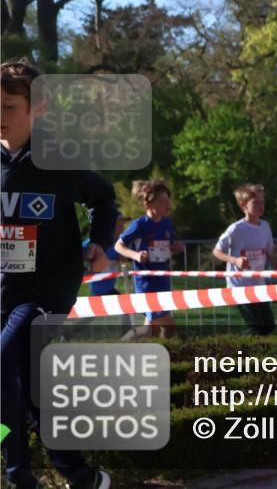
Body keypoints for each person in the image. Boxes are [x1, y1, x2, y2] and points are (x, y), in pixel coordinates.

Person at [1, 59, 115, 489]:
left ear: (39, 109)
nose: (0, 116)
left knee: (2, 366)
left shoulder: (60, 161)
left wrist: (102, 244)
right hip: (4, 292)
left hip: (47, 289)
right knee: (32, 389)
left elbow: (103, 199)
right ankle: (80, 474)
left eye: (10, 106)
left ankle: (18, 475)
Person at [115, 180, 185, 339]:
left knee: (149, 331)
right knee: (169, 328)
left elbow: (170, 244)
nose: (168, 205)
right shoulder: (139, 225)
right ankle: (170, 358)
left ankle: (119, 346)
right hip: (147, 284)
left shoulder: (167, 223)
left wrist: (177, 247)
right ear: (148, 203)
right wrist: (135, 255)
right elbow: (118, 246)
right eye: (162, 201)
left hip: (164, 281)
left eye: (168, 200)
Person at [213, 183, 277, 335]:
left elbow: (268, 251)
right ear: (243, 205)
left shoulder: (265, 226)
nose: (260, 206)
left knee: (268, 325)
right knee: (255, 326)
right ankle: (240, 352)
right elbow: (217, 251)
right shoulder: (236, 228)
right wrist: (235, 260)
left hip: (258, 283)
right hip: (240, 285)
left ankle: (260, 354)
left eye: (262, 202)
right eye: (256, 202)